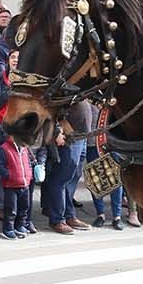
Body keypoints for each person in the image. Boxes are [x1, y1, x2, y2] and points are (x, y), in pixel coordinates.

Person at [43, 100, 93, 234]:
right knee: (60, 179)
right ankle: (57, 220)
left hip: (81, 137)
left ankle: (69, 215)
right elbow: (50, 110)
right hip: (68, 137)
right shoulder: (62, 86)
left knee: (72, 178)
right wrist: (57, 131)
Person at [0, 130, 34, 240]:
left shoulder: (24, 148)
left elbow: (28, 162)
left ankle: (19, 226)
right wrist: (8, 175)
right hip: (11, 185)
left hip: (24, 184)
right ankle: (8, 229)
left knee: (24, 207)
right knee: (11, 209)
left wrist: (29, 174)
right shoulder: (4, 148)